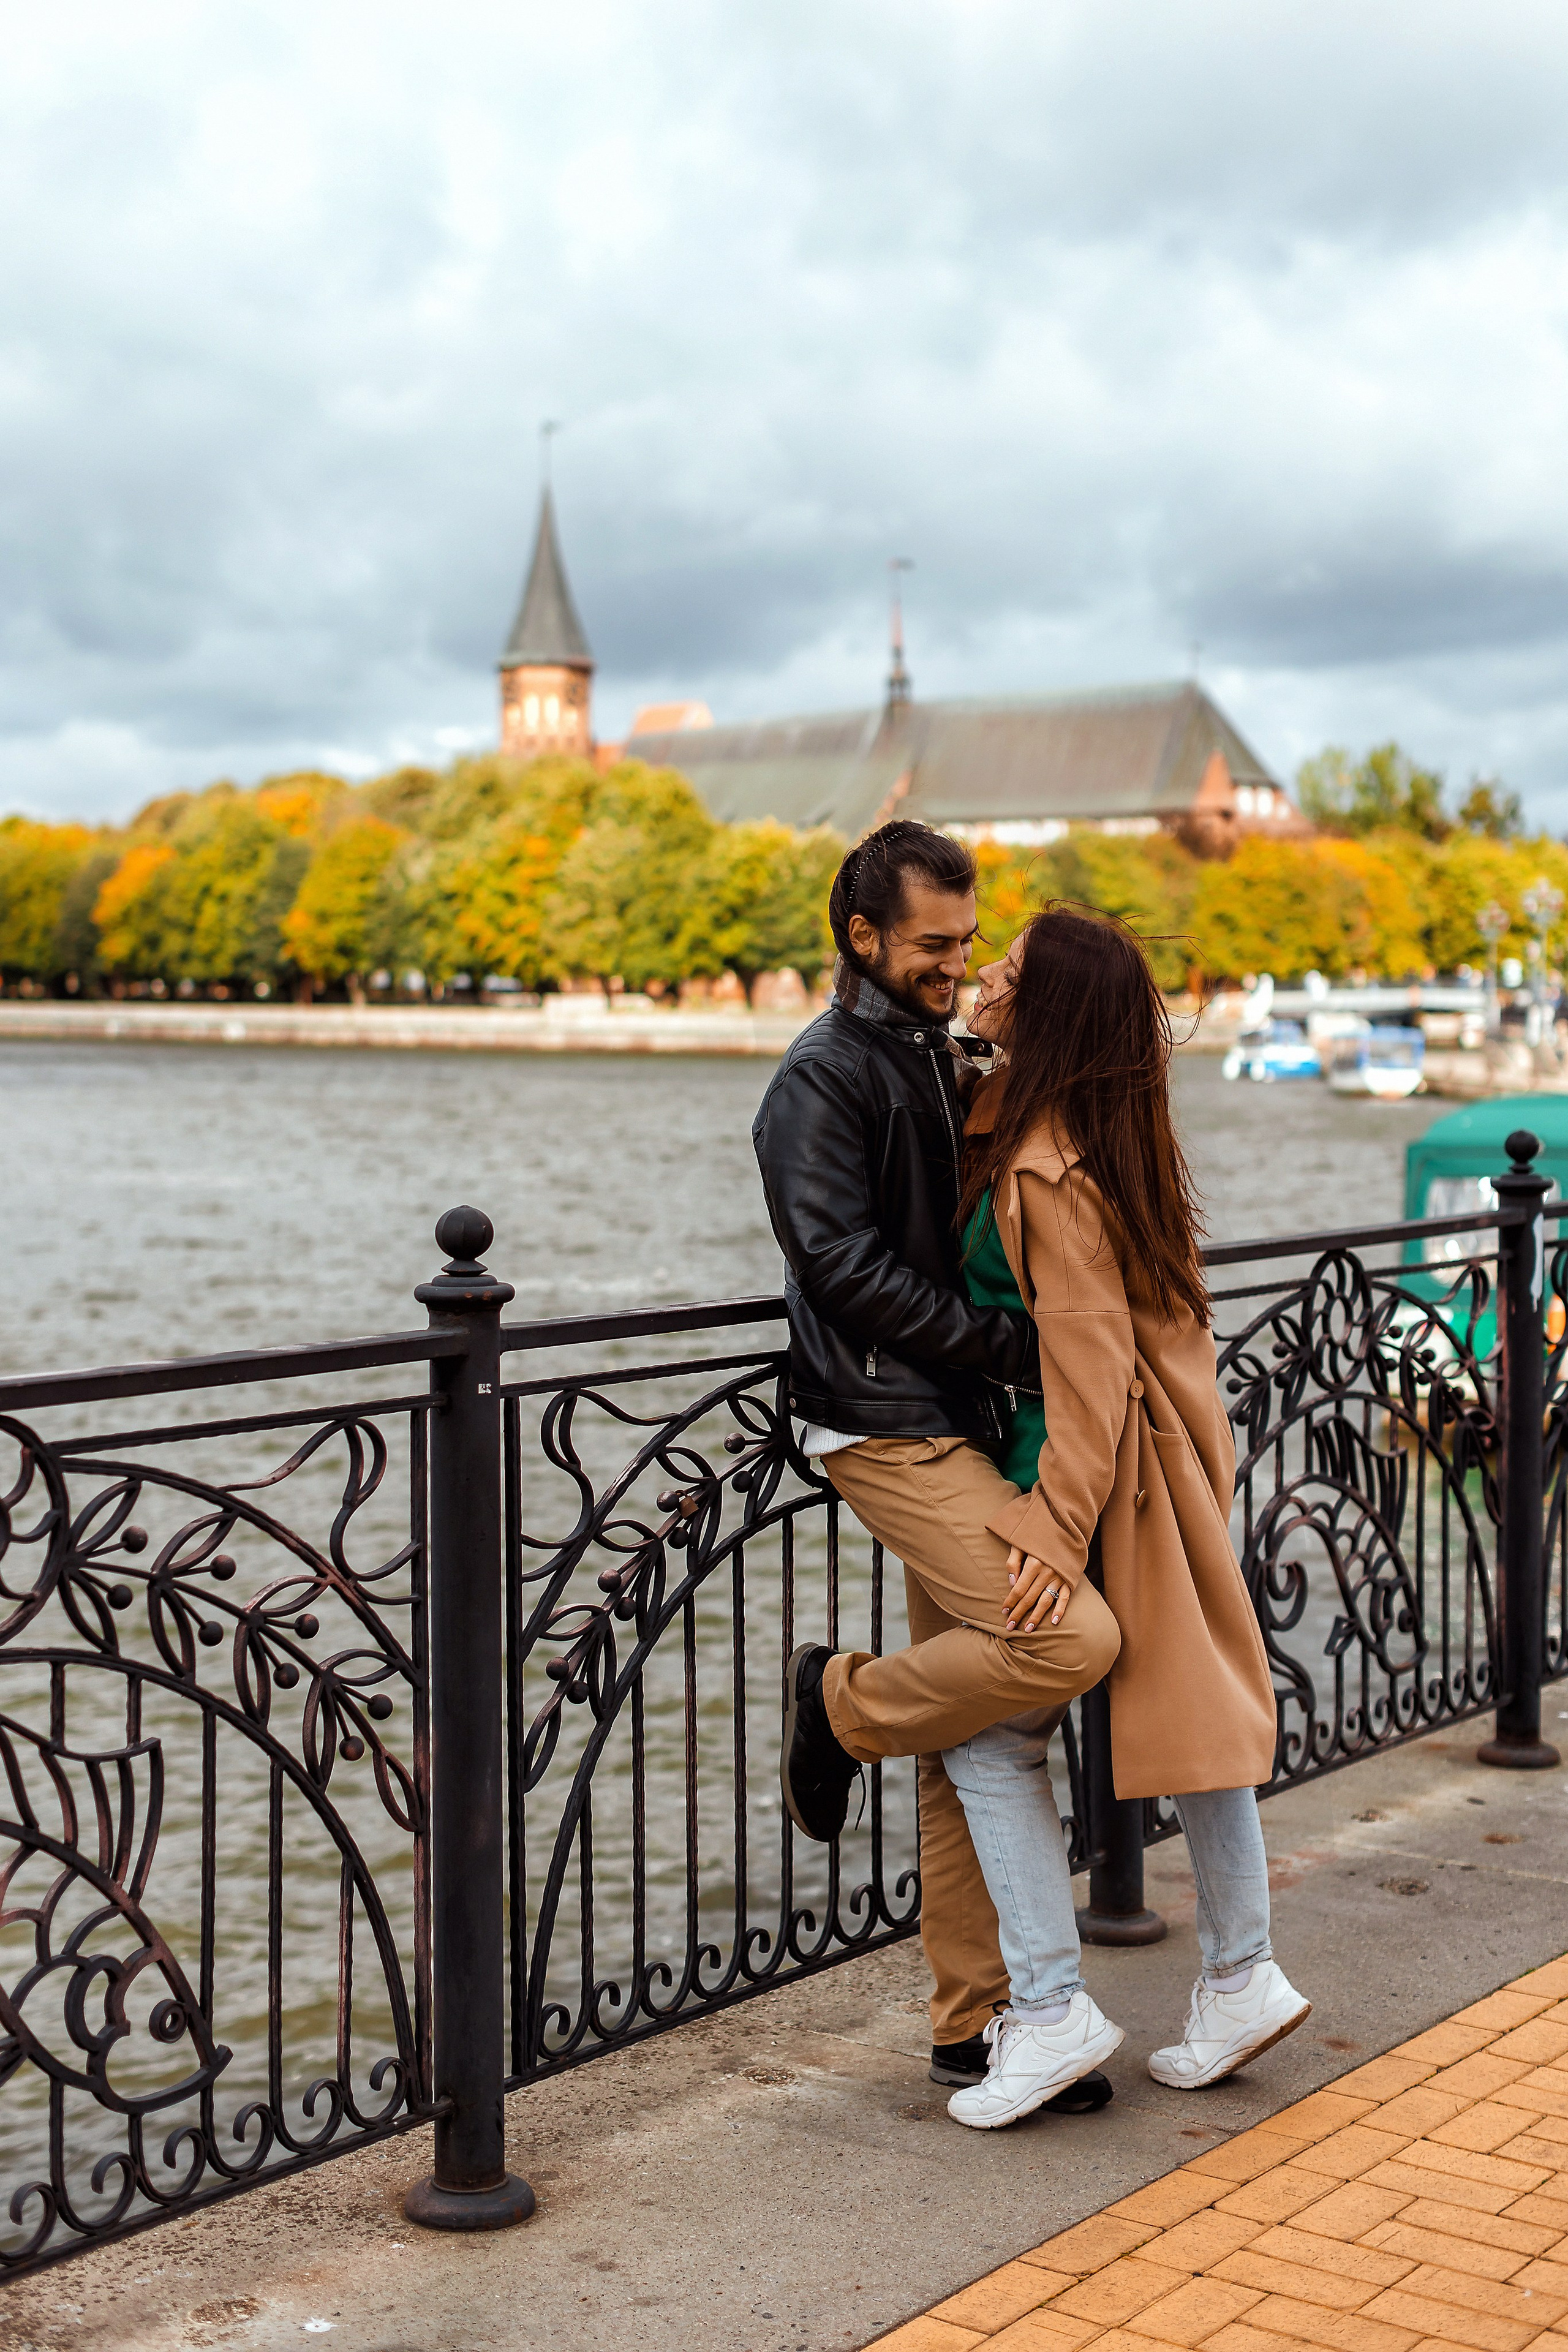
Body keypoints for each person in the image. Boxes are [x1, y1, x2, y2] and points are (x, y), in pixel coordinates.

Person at [776, 904, 1310, 2128]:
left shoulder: (1043, 1165)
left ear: (1046, 1012)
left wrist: (1047, 1543)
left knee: (992, 1737)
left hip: (1084, 1477)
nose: (978, 977)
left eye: (1004, 969)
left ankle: (1050, 2004)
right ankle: (1234, 1974)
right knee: (1192, 1709)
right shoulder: (1100, 1123)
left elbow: (1081, 1368)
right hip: (1152, 1466)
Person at [753, 820, 1114, 2111]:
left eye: (967, 943)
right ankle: (836, 1702)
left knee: (983, 1727)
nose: (956, 966)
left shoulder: (935, 1048)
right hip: (880, 1421)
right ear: (860, 936)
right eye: (930, 946)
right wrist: (1009, 1343)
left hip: (954, 1418)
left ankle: (980, 2025)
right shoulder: (816, 1079)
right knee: (1064, 1640)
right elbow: (837, 1267)